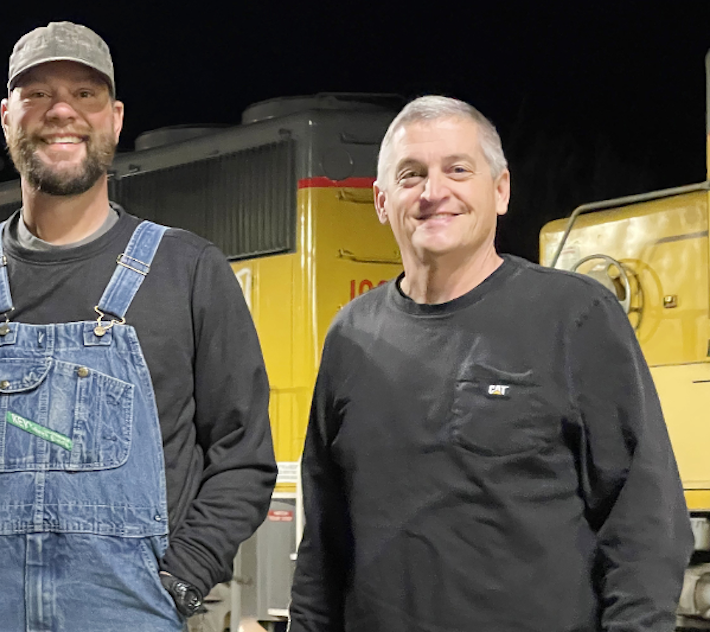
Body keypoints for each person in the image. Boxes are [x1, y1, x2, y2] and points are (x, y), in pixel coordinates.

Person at [0, 21, 276, 631]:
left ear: (115, 118)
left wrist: (182, 579)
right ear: (7, 116)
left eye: (85, 95)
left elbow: (242, 456)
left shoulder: (188, 270)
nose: (61, 111)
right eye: (38, 95)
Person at [289, 95, 694, 631]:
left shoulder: (574, 317)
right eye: (411, 175)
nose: (434, 192)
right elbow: (324, 540)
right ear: (382, 202)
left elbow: (644, 519)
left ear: (500, 190)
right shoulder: (351, 337)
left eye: (458, 170)